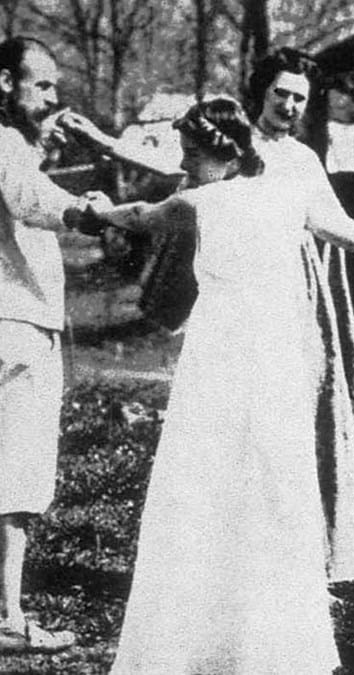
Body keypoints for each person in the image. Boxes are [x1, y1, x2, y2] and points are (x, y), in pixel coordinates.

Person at [81, 96, 354, 674]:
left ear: (226, 154)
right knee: (264, 490)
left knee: (215, 489)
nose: (183, 164)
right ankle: (239, 644)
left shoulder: (199, 202)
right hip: (261, 359)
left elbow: (136, 215)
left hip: (232, 360)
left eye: (191, 154)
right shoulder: (276, 196)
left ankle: (230, 646)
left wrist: (98, 211)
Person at [247, 46, 354, 586]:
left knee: (300, 431)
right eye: (281, 93)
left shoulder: (302, 160)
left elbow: (345, 230)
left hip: (294, 308)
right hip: (241, 308)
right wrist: (106, 145)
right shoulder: (235, 148)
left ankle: (304, 563)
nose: (290, 106)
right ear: (260, 91)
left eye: (300, 98)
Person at [0, 36, 110, 654]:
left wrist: (40, 148)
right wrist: (86, 212)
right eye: (40, 85)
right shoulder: (6, 142)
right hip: (15, 324)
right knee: (17, 474)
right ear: (4, 82)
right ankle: (9, 620)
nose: (51, 97)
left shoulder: (15, 145)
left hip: (13, 319)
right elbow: (28, 199)